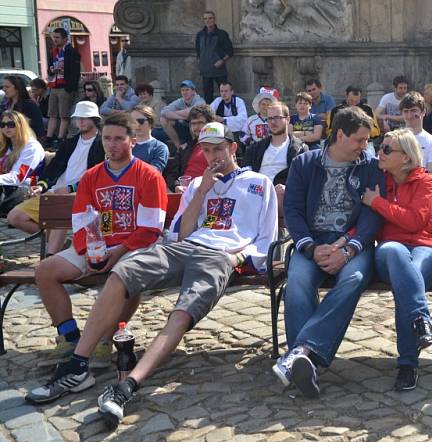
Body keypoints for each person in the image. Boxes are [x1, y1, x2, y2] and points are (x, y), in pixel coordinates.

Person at [28, 123, 278, 423]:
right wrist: (203, 191)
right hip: (186, 247)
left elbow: (266, 239)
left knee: (183, 311)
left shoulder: (259, 183)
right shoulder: (199, 184)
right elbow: (182, 234)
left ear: (232, 148)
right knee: (123, 273)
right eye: (207, 150)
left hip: (222, 256)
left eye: (219, 149)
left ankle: (129, 384)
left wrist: (239, 258)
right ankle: (79, 364)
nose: (213, 156)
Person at [22, 112, 168, 385]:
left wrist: (117, 252)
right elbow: (80, 221)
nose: (112, 145)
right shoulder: (91, 177)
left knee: (124, 276)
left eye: (118, 139)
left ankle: (105, 337)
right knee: (45, 271)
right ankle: (69, 336)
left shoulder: (148, 176)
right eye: (107, 138)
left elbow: (150, 228)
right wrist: (88, 250)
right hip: (97, 246)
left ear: (132, 141)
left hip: (134, 247)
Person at [275, 107, 383, 398]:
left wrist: (349, 249)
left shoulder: (369, 166)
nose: (364, 146)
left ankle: (300, 353)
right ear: (339, 135)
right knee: (297, 282)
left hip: (351, 242)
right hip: (312, 241)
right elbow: (294, 210)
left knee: (353, 278)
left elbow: (372, 215)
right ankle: (304, 361)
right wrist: (309, 246)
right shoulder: (305, 163)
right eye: (359, 140)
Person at [361, 129, 432, 391]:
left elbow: (414, 221)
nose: (380, 152)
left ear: (407, 157)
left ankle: (408, 365)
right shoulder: (379, 180)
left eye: (388, 149)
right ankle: (421, 320)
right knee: (397, 255)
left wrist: (377, 203)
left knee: (408, 280)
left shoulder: (426, 183)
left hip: (427, 248)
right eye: (380, 147)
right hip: (390, 250)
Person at [7, 102, 104, 256]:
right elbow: (53, 169)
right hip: (55, 192)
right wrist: (41, 186)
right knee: (15, 217)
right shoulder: (70, 143)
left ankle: (50, 256)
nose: (81, 121)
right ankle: (57, 242)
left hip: (83, 195)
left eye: (85, 118)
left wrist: (71, 188)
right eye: (78, 118)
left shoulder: (102, 144)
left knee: (60, 210)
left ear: (95, 119)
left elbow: (100, 176)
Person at [244, 101, 307, 204]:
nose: (273, 122)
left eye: (277, 118)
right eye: (270, 118)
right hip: (257, 197)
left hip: (284, 199)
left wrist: (288, 189)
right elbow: (245, 176)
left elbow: (304, 181)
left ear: (287, 119)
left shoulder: (301, 149)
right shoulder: (255, 148)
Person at [0, 110, 46, 215]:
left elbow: (18, 177)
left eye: (11, 124)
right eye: (3, 124)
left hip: (26, 190)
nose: (6, 128)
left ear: (21, 125)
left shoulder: (31, 147)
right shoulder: (7, 145)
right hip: (8, 188)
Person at [164, 104, 213, 192]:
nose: (196, 127)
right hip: (186, 193)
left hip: (210, 191)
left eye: (200, 123)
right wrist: (176, 186)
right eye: (193, 123)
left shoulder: (220, 147)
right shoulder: (184, 148)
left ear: (210, 123)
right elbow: (171, 175)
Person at [46, 28, 82, 149]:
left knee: (64, 115)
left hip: (65, 87)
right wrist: (51, 71)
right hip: (54, 85)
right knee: (52, 114)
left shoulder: (71, 51)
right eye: (54, 37)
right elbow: (49, 67)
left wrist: (69, 87)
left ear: (65, 39)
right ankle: (49, 137)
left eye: (57, 37)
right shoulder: (54, 51)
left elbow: (75, 71)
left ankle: (61, 138)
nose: (55, 40)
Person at [400, 92, 432, 177]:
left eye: (413, 111)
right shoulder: (393, 139)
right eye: (406, 111)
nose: (409, 116)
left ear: (423, 112)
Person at [195, 11, 233, 104]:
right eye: (205, 18)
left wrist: (222, 61)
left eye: (210, 18)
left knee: (225, 94)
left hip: (219, 70)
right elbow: (198, 52)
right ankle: (209, 115)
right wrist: (200, 64)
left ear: (214, 19)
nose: (208, 20)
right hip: (205, 70)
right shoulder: (199, 35)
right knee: (207, 96)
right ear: (203, 20)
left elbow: (230, 51)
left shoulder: (222, 34)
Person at [156, 80, 206, 149]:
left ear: (193, 91)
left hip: (197, 129)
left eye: (187, 90)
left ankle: (195, 147)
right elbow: (163, 112)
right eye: (182, 90)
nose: (184, 92)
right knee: (163, 119)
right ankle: (178, 148)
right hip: (183, 126)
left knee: (193, 119)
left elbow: (192, 112)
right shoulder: (180, 101)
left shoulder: (199, 100)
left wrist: (175, 113)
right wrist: (183, 117)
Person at [130, 105, 169, 173]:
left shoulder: (160, 147)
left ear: (150, 122)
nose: (137, 125)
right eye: (133, 121)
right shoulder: (125, 145)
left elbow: (153, 173)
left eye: (140, 121)